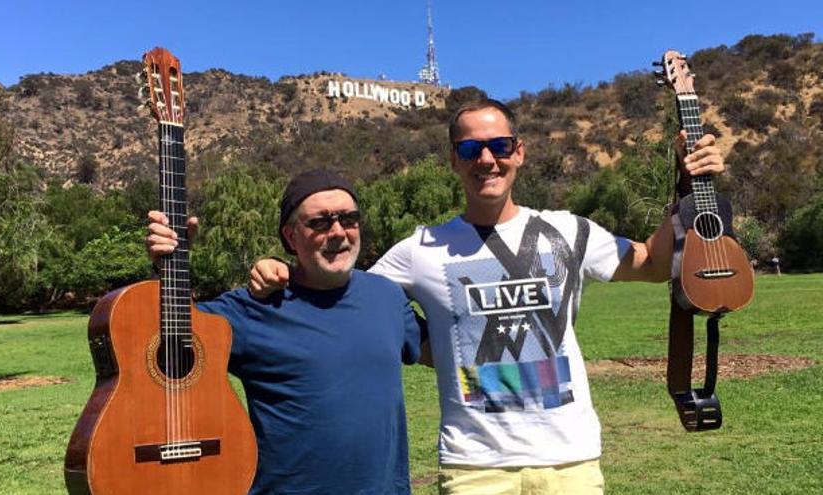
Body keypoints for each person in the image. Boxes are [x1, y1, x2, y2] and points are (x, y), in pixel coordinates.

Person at [250, 99, 725, 494]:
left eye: (499, 146)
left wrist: (687, 185)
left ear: (519, 152)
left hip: (571, 459)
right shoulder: (420, 250)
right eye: (471, 148)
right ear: (453, 160)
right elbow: (349, 292)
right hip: (474, 466)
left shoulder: (568, 230)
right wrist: (285, 272)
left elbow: (655, 264)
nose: (486, 160)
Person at [146, 169, 421, 494]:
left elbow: (447, 345)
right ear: (291, 237)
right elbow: (164, 339)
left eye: (349, 218)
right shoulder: (253, 307)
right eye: (320, 222)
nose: (338, 232)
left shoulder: (387, 296)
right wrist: (171, 264)